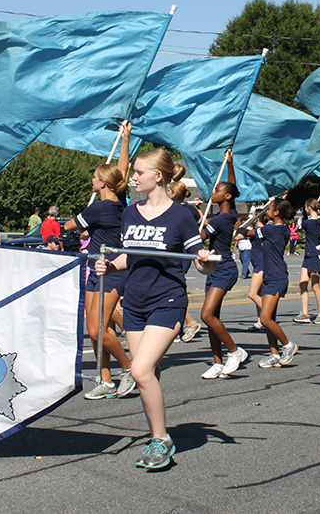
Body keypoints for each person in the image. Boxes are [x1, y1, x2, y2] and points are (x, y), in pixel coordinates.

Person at [94, 148, 214, 470]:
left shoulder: (181, 216)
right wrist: (111, 266)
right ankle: (156, 434)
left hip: (168, 301)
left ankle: (161, 440)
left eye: (138, 173)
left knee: (140, 370)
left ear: (157, 177)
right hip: (134, 304)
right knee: (152, 372)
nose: (132, 178)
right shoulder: (131, 213)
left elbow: (198, 261)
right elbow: (129, 256)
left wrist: (206, 264)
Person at [65, 124, 136, 400]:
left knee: (96, 328)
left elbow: (69, 225)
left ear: (102, 183)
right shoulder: (119, 202)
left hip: (112, 270)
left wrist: (74, 225)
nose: (92, 180)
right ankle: (105, 379)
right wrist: (126, 139)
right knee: (95, 331)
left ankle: (130, 368)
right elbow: (123, 170)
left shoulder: (99, 207)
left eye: (95, 177)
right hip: (97, 268)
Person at [197, 150, 247, 379]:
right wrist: (230, 164)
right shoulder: (231, 211)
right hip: (215, 269)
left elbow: (200, 238)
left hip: (225, 269)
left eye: (218, 190)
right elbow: (232, 187)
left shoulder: (220, 219)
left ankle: (235, 351)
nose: (213, 192)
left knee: (206, 315)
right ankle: (217, 363)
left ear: (225, 197)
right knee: (212, 317)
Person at [246, 198, 300, 368]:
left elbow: (249, 233)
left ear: (276, 212)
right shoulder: (274, 229)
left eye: (269, 208)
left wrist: (240, 228)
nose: (266, 211)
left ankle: (288, 345)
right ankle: (274, 354)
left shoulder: (275, 230)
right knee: (269, 319)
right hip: (270, 276)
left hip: (277, 277)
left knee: (265, 318)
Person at [294, 184, 320, 324]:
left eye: (305, 207)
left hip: (315, 254)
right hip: (308, 254)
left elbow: (298, 230)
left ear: (309, 208)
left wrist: (298, 228)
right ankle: (305, 313)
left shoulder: (307, 224)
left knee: (315, 285)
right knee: (302, 283)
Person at [169, 180, 203, 343]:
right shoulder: (191, 209)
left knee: (173, 289)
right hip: (182, 253)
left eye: (169, 191)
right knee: (171, 289)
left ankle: (186, 323)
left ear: (174, 193)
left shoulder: (177, 210)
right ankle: (182, 323)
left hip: (180, 253)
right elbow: (201, 218)